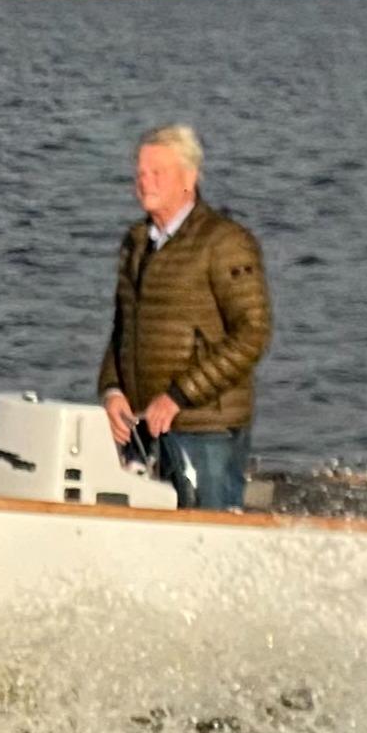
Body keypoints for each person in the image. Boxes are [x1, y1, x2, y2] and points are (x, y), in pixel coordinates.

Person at [97, 123, 272, 511]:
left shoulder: (225, 242)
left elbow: (253, 334)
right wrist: (111, 390)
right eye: (140, 172)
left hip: (205, 429)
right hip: (142, 427)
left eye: (157, 172)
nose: (145, 181)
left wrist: (178, 397)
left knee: (209, 533)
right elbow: (122, 329)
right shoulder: (136, 242)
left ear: (189, 179)